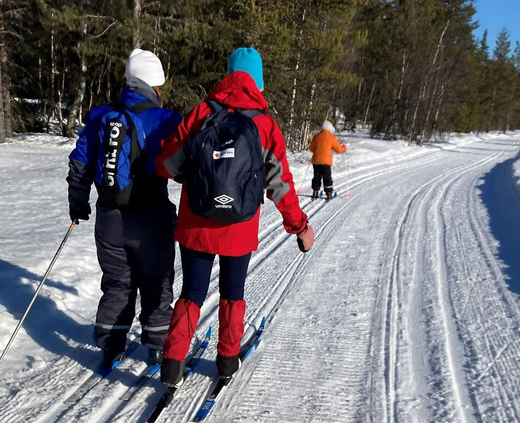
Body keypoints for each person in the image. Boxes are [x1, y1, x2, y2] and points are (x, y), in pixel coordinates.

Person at [154, 47, 315, 386]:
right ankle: (227, 360)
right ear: (258, 82)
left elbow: (165, 164)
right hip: (238, 228)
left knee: (192, 292)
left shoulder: (201, 113)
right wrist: (299, 226)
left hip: (196, 222)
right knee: (232, 293)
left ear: (227, 76)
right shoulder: (265, 125)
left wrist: (192, 173)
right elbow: (281, 185)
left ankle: (172, 362)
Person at [66, 48, 182, 369]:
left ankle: (110, 346)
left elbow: (79, 164)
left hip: (109, 218)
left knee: (118, 281)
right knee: (156, 280)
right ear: (155, 85)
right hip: (151, 218)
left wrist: (78, 203)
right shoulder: (167, 120)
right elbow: (183, 165)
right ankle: (157, 346)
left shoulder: (100, 117)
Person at [309, 120, 346, 200]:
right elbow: (338, 149)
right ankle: (328, 193)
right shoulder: (332, 138)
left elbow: (311, 148)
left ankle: (315, 191)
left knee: (316, 176)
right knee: (327, 177)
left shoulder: (316, 136)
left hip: (316, 161)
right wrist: (344, 148)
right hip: (326, 162)